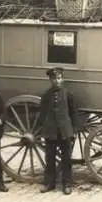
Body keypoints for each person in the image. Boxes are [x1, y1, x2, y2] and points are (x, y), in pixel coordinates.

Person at [38, 67, 81, 195]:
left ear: (62, 79)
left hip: (65, 131)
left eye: (59, 78)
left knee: (66, 159)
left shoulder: (68, 94)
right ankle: (49, 183)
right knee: (49, 158)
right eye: (54, 79)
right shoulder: (46, 95)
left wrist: (73, 131)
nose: (57, 81)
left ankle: (67, 184)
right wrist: (42, 131)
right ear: (50, 80)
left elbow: (74, 113)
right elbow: (42, 114)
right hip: (51, 132)